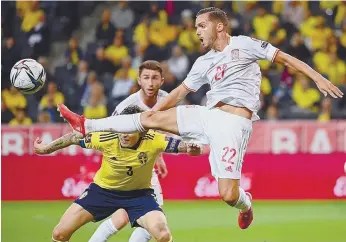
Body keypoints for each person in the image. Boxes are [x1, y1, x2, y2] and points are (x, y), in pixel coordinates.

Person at [57, 7, 344, 230]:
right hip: (207, 115)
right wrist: (154, 112)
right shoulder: (203, 62)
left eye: (201, 26)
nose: (196, 32)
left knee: (228, 195)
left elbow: (285, 58)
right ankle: (87, 124)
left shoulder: (244, 45)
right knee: (147, 120)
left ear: (219, 26)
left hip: (233, 124)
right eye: (195, 27)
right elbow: (180, 92)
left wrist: (318, 77)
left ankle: (246, 206)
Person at [34, 105, 202, 242]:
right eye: (122, 129)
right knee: (59, 234)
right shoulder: (107, 136)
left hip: (140, 196)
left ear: (142, 130)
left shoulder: (154, 139)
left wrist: (192, 148)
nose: (124, 135)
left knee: (163, 234)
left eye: (129, 130)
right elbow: (73, 137)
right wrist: (45, 149)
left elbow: (184, 146)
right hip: (102, 192)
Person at [90, 60, 171, 242]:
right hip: (127, 164)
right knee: (153, 216)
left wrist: (157, 155)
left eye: (155, 78)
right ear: (139, 81)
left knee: (124, 216)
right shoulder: (126, 107)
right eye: (146, 78)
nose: (150, 83)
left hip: (143, 162)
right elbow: (110, 133)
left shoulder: (166, 99)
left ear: (162, 81)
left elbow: (157, 130)